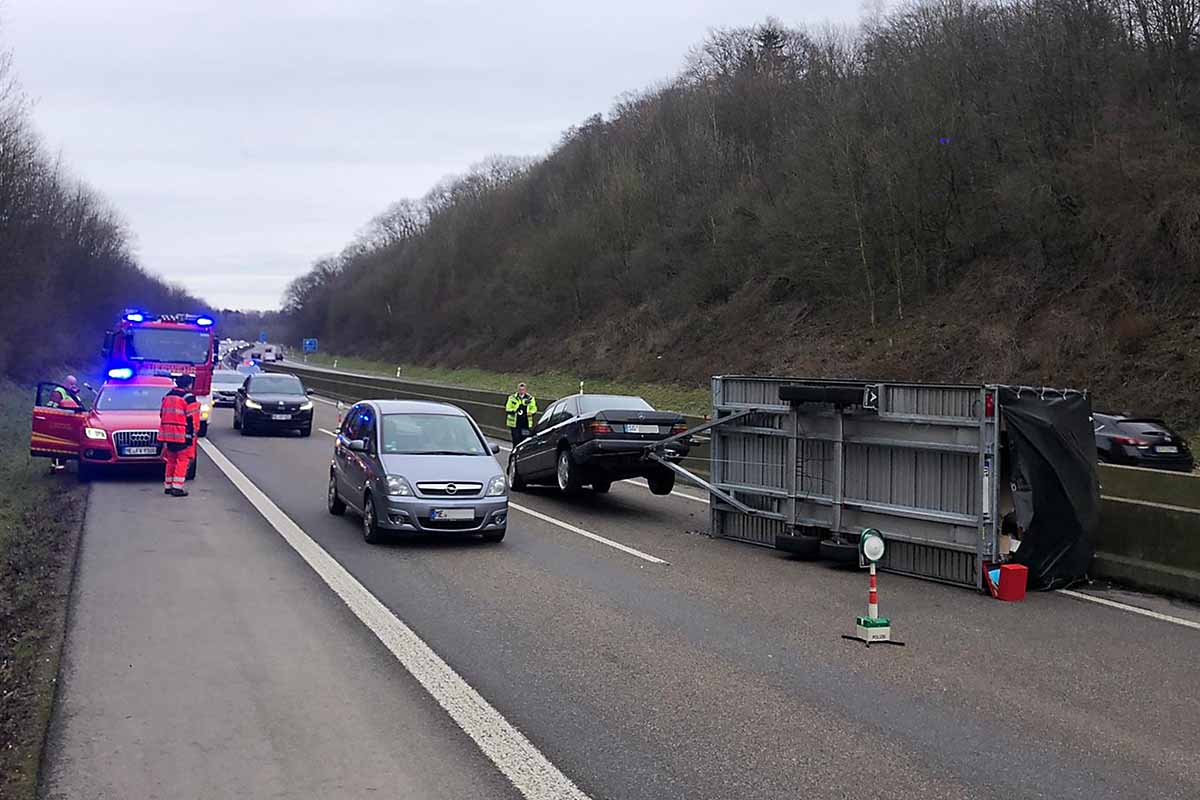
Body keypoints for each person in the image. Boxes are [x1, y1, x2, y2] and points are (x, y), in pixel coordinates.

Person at [159, 374, 200, 497]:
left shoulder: (167, 396)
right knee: (183, 460)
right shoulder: (189, 398)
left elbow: (162, 414)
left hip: (167, 434)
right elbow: (193, 419)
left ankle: (168, 485)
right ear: (188, 384)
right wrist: (192, 434)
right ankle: (177, 487)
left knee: (171, 459)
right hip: (182, 434)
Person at [48, 375, 83, 472]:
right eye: (71, 384)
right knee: (58, 443)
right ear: (66, 383)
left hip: (71, 420)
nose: (73, 386)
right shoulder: (58, 392)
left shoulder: (70, 392)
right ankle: (56, 465)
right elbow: (52, 407)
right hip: (59, 421)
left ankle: (62, 463)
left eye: (74, 384)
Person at [505, 382, 538, 447]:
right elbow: (508, 408)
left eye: (523, 390)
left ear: (525, 390)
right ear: (518, 390)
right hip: (515, 424)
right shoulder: (512, 398)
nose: (521, 391)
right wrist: (514, 410)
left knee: (524, 440)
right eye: (520, 390)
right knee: (516, 440)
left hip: (525, 423)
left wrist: (531, 413)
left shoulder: (530, 398)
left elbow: (534, 408)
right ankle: (515, 454)